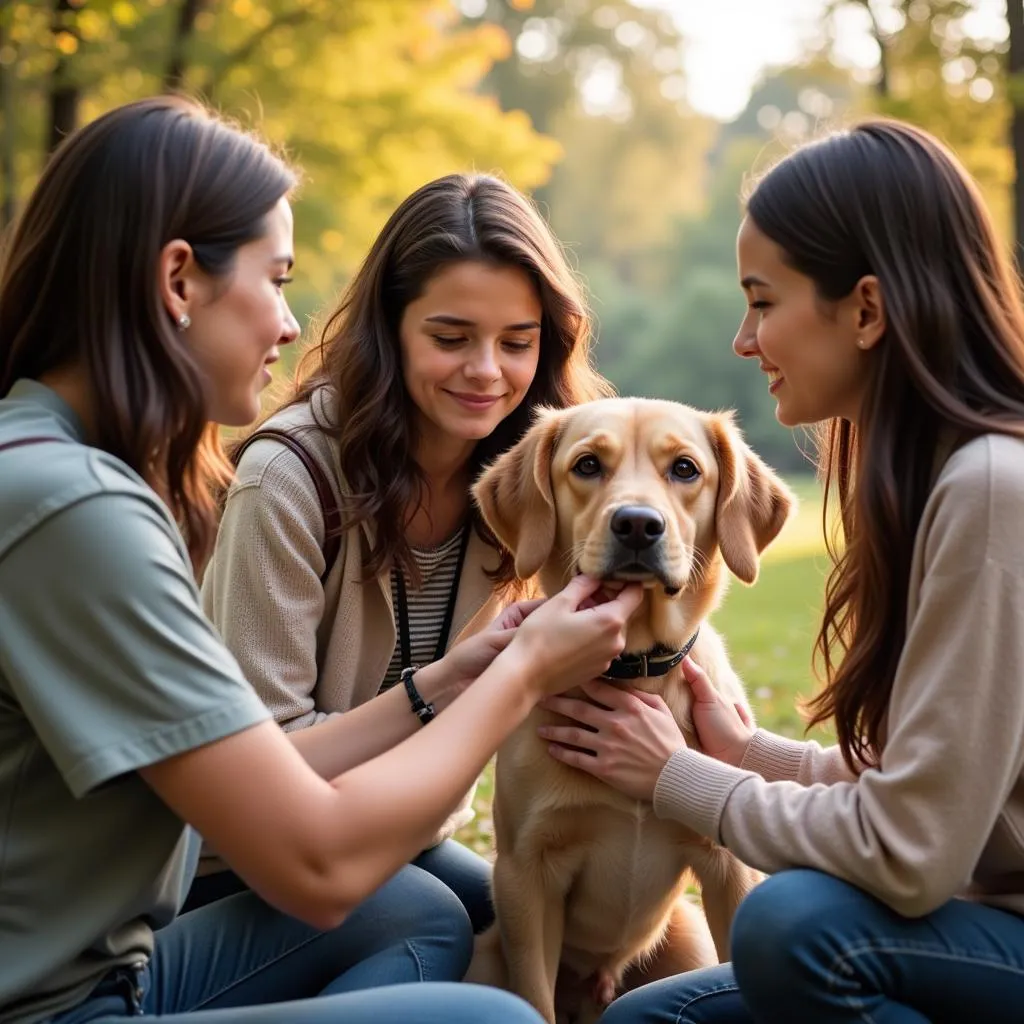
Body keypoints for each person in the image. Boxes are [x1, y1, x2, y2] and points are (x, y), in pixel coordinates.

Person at [0, 95, 643, 1024]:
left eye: (517, 342)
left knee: (449, 912)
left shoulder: (58, 470)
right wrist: (524, 673)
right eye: (277, 278)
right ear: (179, 280)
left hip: (114, 967)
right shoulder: (79, 508)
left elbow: (249, 762)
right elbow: (316, 864)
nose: (291, 325)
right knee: (491, 1017)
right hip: (66, 1002)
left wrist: (452, 680)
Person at [538, 119, 1024, 1023]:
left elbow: (912, 858)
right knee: (648, 1017)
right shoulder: (948, 480)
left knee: (790, 924)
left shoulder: (994, 487)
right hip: (979, 921)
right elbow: (938, 788)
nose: (743, 339)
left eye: (762, 301)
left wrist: (677, 775)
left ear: (868, 311)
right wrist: (747, 754)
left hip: (991, 929)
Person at [187, 171, 612, 925]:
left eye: (517, 342)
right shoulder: (286, 481)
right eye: (451, 338)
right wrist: (447, 686)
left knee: (564, 930)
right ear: (390, 327)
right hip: (247, 866)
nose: (487, 372)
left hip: (402, 837)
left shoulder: (529, 482)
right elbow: (266, 764)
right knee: (436, 926)